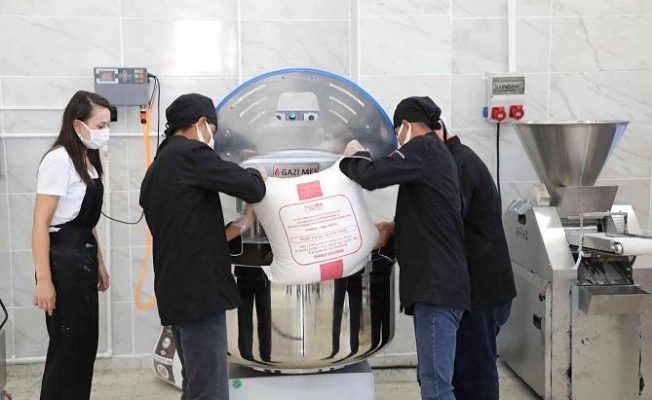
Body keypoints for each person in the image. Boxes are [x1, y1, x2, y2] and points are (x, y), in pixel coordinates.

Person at [340, 96, 471, 400]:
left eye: (398, 133)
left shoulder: (424, 147)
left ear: (405, 126)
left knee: (436, 386)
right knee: (432, 379)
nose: (399, 141)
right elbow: (429, 213)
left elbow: (372, 176)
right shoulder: (435, 155)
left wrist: (355, 155)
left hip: (438, 288)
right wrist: (392, 228)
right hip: (441, 286)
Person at [139, 93, 267, 400]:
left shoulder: (156, 169)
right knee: (210, 390)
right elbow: (252, 187)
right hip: (200, 293)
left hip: (175, 292)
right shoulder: (190, 153)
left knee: (196, 383)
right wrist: (257, 173)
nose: (212, 138)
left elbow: (184, 234)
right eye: (213, 130)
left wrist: (238, 226)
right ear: (200, 123)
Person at [32, 90, 112, 400]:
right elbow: (41, 223)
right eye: (100, 125)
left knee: (83, 346)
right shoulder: (59, 160)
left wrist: (100, 262)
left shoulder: (88, 160)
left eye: (107, 125)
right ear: (78, 125)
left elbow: (87, 222)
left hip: (83, 258)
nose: (105, 132)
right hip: (63, 261)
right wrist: (44, 281)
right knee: (67, 349)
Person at [435, 119, 517, 400]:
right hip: (472, 289)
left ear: (437, 130)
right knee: (462, 371)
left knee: (475, 375)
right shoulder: (453, 160)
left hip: (481, 292)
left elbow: (442, 221)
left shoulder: (458, 164)